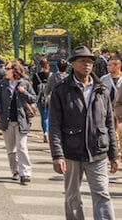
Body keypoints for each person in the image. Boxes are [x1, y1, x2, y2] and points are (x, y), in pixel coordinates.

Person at [49, 45, 118, 219]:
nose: (87, 65)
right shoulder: (61, 90)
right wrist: (57, 155)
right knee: (72, 196)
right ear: (73, 64)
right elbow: (54, 125)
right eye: (82, 61)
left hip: (98, 151)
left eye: (89, 62)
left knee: (102, 193)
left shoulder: (101, 89)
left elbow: (109, 123)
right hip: (72, 152)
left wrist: (114, 154)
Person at [0, 60, 36, 185]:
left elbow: (34, 98)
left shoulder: (25, 83)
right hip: (7, 121)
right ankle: (15, 170)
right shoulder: (3, 84)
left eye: (8, 69)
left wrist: (23, 92)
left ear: (14, 70)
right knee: (11, 149)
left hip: (21, 121)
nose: (5, 71)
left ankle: (25, 173)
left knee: (22, 147)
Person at [32, 57, 52, 143]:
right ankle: (48, 132)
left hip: (40, 98)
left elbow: (34, 89)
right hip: (50, 98)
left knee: (43, 116)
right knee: (48, 116)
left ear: (39, 65)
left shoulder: (36, 76)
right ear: (48, 64)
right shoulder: (51, 75)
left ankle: (45, 132)